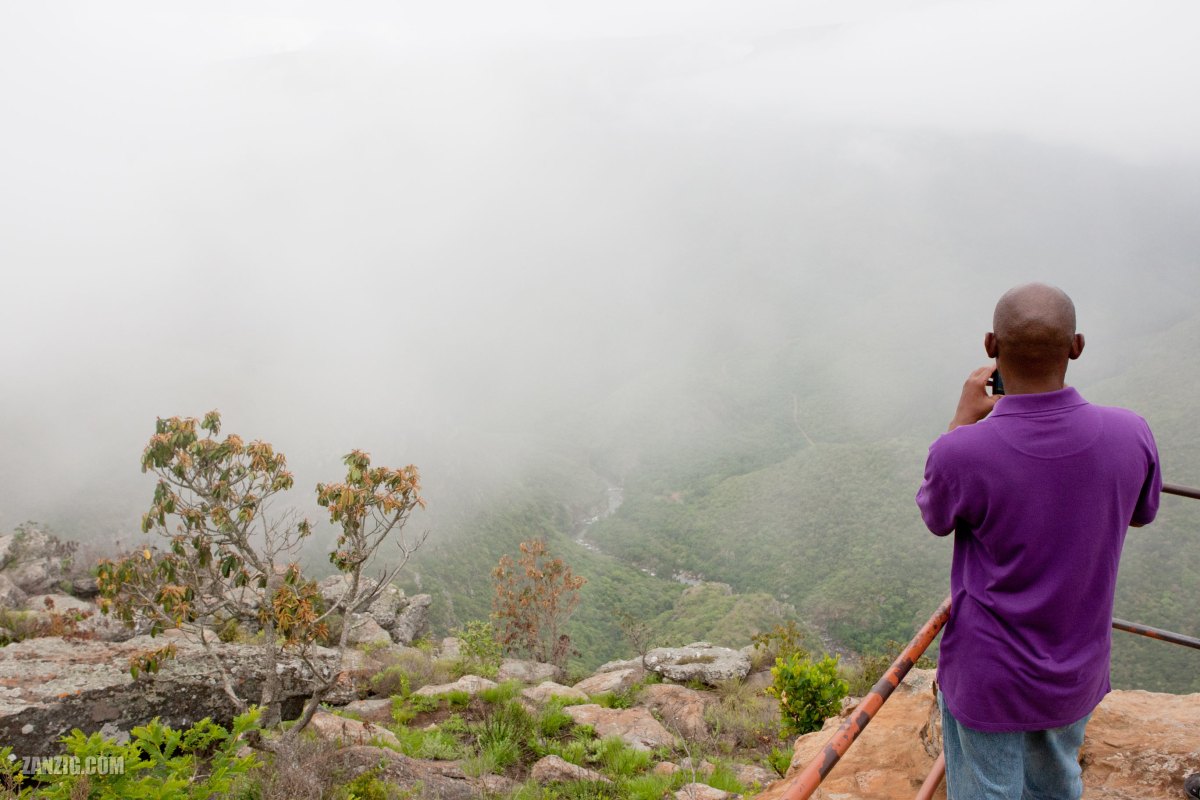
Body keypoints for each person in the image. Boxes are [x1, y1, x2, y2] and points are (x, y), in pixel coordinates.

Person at [915, 283, 1161, 800]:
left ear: (990, 346)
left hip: (988, 674)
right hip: (1075, 667)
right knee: (1057, 783)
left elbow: (936, 517)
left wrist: (961, 422)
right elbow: (1141, 514)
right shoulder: (1130, 433)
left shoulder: (963, 452)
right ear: (1076, 346)